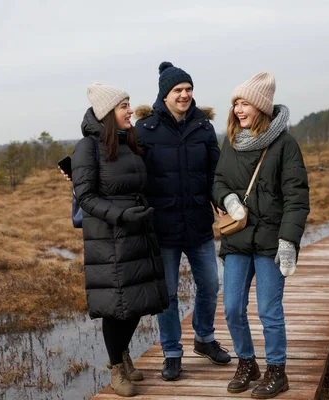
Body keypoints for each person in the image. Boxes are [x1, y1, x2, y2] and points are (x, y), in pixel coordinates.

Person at [212, 72, 310, 398]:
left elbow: (297, 197)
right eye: (236, 103)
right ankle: (247, 362)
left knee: (269, 311)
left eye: (246, 103)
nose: (239, 109)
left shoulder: (285, 144)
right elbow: (218, 181)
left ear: (262, 107)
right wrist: (227, 200)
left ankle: (276, 371)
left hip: (271, 241)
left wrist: (289, 242)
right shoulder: (232, 141)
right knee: (232, 308)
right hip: (238, 240)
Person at [71, 82, 169, 397]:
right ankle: (116, 368)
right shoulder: (87, 147)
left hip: (138, 232)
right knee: (118, 306)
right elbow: (85, 196)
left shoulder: (127, 142)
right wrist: (120, 215)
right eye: (124, 105)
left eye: (129, 104)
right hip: (110, 237)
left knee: (137, 301)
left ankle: (124, 356)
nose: (130, 110)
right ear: (107, 113)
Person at [135, 62, 230, 381]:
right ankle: (172, 354)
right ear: (165, 95)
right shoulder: (145, 130)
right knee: (169, 294)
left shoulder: (203, 127)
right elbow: (126, 172)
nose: (185, 94)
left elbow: (216, 173)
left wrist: (223, 201)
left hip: (199, 224)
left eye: (188, 89)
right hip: (162, 229)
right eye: (178, 90)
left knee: (211, 285)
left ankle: (204, 339)